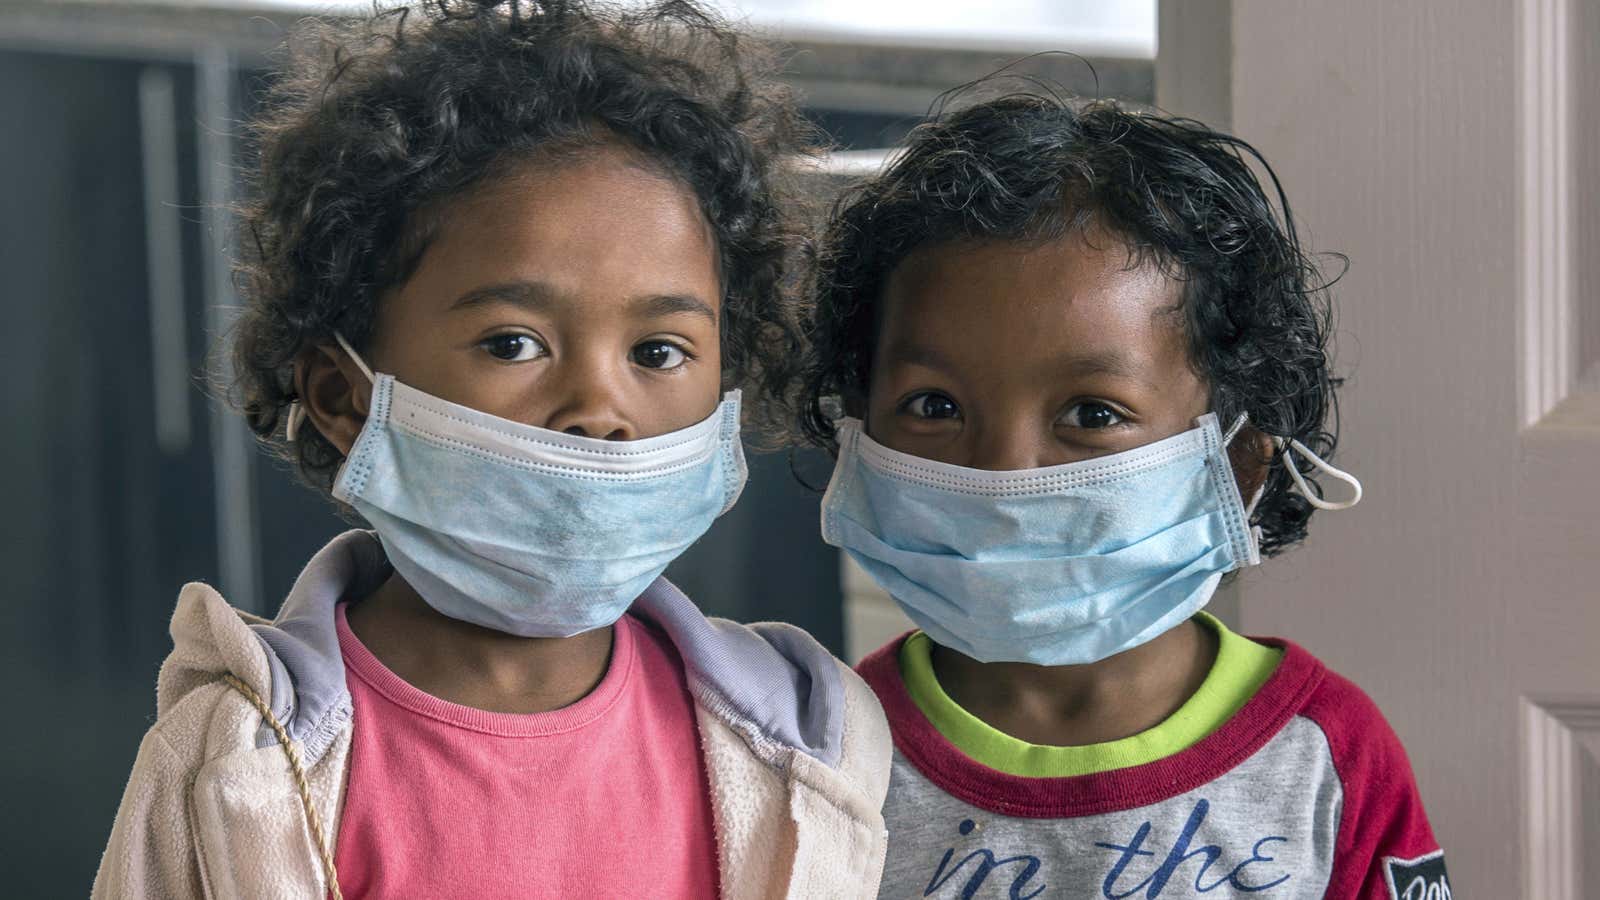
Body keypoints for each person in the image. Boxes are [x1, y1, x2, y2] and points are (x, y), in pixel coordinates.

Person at [94, 2, 890, 896]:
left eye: (658, 353)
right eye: (514, 343)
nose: (599, 409)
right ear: (343, 398)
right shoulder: (231, 763)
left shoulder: (806, 745)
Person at [795, 92, 1446, 899]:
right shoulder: (824, 757)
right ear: (860, 428)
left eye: (1091, 414)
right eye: (936, 407)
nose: (1007, 473)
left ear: (1234, 464)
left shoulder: (1325, 755)